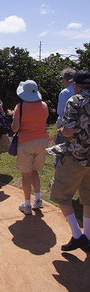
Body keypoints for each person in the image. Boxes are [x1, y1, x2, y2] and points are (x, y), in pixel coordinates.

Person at [49, 71, 90, 252]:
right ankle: (88, 236)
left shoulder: (75, 101)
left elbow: (68, 130)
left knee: (61, 195)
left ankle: (77, 235)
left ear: (76, 84)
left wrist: (61, 131)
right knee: (88, 198)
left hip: (76, 156)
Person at [12, 80, 49, 215]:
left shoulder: (20, 107)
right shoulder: (44, 105)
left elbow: (15, 128)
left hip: (26, 142)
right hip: (43, 141)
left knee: (26, 175)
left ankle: (27, 205)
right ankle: (38, 200)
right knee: (35, 171)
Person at [55, 68, 75, 145]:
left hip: (65, 128)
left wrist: (58, 125)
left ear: (66, 79)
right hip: (79, 127)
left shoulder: (64, 92)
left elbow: (62, 113)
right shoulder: (81, 90)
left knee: (60, 154)